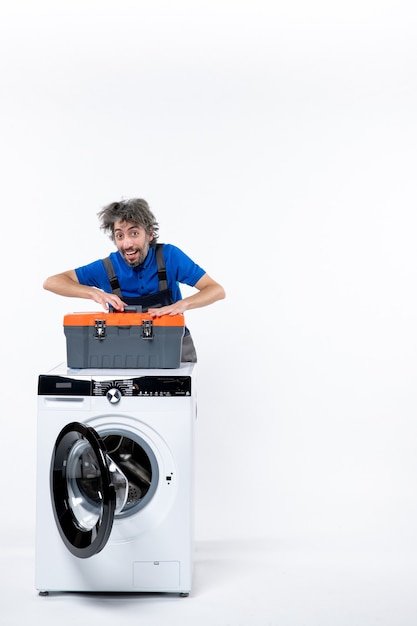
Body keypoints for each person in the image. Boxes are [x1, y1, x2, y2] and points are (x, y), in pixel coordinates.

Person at [43, 198, 225, 362]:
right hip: (124, 353)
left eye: (134, 233)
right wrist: (94, 293)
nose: (127, 244)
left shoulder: (170, 256)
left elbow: (216, 290)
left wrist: (182, 305)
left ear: (150, 234)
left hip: (173, 348)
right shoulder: (108, 267)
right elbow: (52, 282)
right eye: (119, 235)